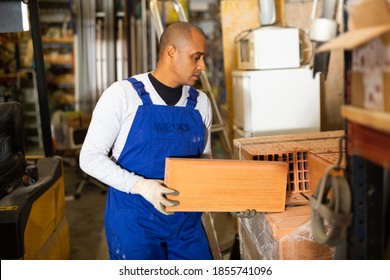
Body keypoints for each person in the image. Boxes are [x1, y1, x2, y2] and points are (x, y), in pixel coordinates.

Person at [79, 21, 213, 260]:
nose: (202, 66)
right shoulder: (122, 95)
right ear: (171, 52)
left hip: (186, 225)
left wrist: (230, 196)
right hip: (135, 226)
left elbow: (205, 160)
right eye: (196, 57)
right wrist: (141, 186)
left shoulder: (200, 102)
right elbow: (89, 158)